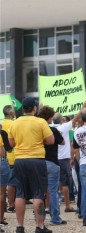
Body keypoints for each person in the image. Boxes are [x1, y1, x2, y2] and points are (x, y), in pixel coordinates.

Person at [8, 97, 54, 233]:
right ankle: (39, 226)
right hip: (36, 160)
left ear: (23, 109)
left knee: (20, 194)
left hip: (20, 160)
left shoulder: (14, 123)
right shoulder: (40, 122)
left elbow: (11, 144)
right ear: (34, 108)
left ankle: (19, 226)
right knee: (38, 193)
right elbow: (50, 140)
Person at [37, 106, 67, 226]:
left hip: (39, 162)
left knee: (39, 192)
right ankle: (55, 218)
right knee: (53, 191)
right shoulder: (53, 130)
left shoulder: (37, 130)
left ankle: (39, 220)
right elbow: (63, 142)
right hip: (53, 163)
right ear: (50, 118)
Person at [51, 112, 77, 213]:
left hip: (52, 157)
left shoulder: (50, 127)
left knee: (52, 184)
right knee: (65, 183)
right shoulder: (64, 127)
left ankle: (49, 206)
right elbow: (75, 119)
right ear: (62, 120)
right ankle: (67, 205)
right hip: (63, 158)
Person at [2, 105, 17, 213]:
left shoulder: (1, 124)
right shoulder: (14, 123)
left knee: (5, 184)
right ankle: (11, 204)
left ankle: (8, 204)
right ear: (11, 113)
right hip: (13, 156)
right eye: (14, 111)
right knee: (12, 182)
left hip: (4, 156)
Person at [0, 124, 10, 226]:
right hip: (1, 162)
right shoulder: (2, 133)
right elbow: (4, 151)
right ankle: (1, 217)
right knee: (2, 193)